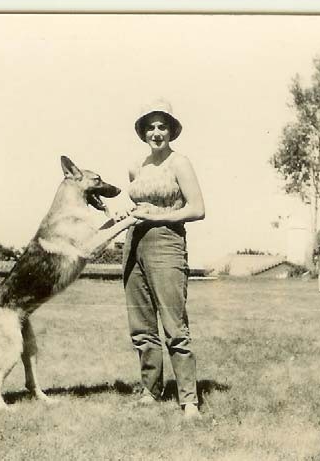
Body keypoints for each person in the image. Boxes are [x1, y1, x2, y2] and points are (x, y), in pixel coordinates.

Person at [121, 100, 205, 419]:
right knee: (141, 324)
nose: (156, 133)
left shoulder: (179, 163)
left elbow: (197, 209)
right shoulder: (136, 167)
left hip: (167, 241)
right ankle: (150, 390)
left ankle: (189, 400)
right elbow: (136, 207)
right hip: (134, 242)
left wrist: (157, 218)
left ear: (171, 131)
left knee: (174, 323)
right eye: (150, 127)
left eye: (162, 126)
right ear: (143, 132)